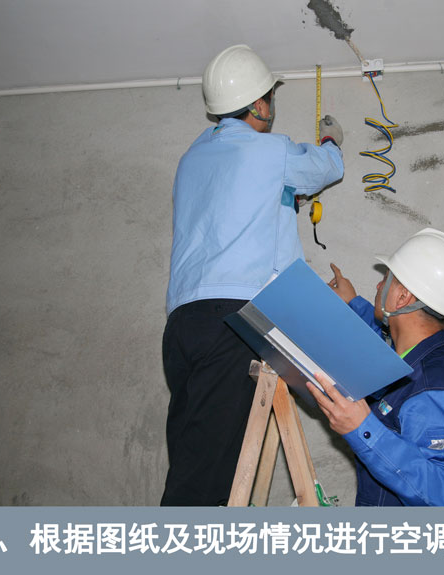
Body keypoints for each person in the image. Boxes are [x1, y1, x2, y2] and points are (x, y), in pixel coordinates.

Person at [161, 44, 345, 506]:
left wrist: (280, 201)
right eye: (270, 98)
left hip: (183, 325)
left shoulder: (191, 160)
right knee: (206, 485)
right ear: (260, 105)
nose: (271, 106)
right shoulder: (271, 151)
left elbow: (226, 215)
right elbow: (325, 168)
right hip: (236, 320)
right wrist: (331, 141)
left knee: (192, 457)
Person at [307, 228, 444, 506]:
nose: (378, 286)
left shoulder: (437, 384)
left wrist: (364, 429)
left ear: (403, 298)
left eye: (386, 280)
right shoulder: (412, 360)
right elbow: (382, 347)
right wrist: (352, 304)